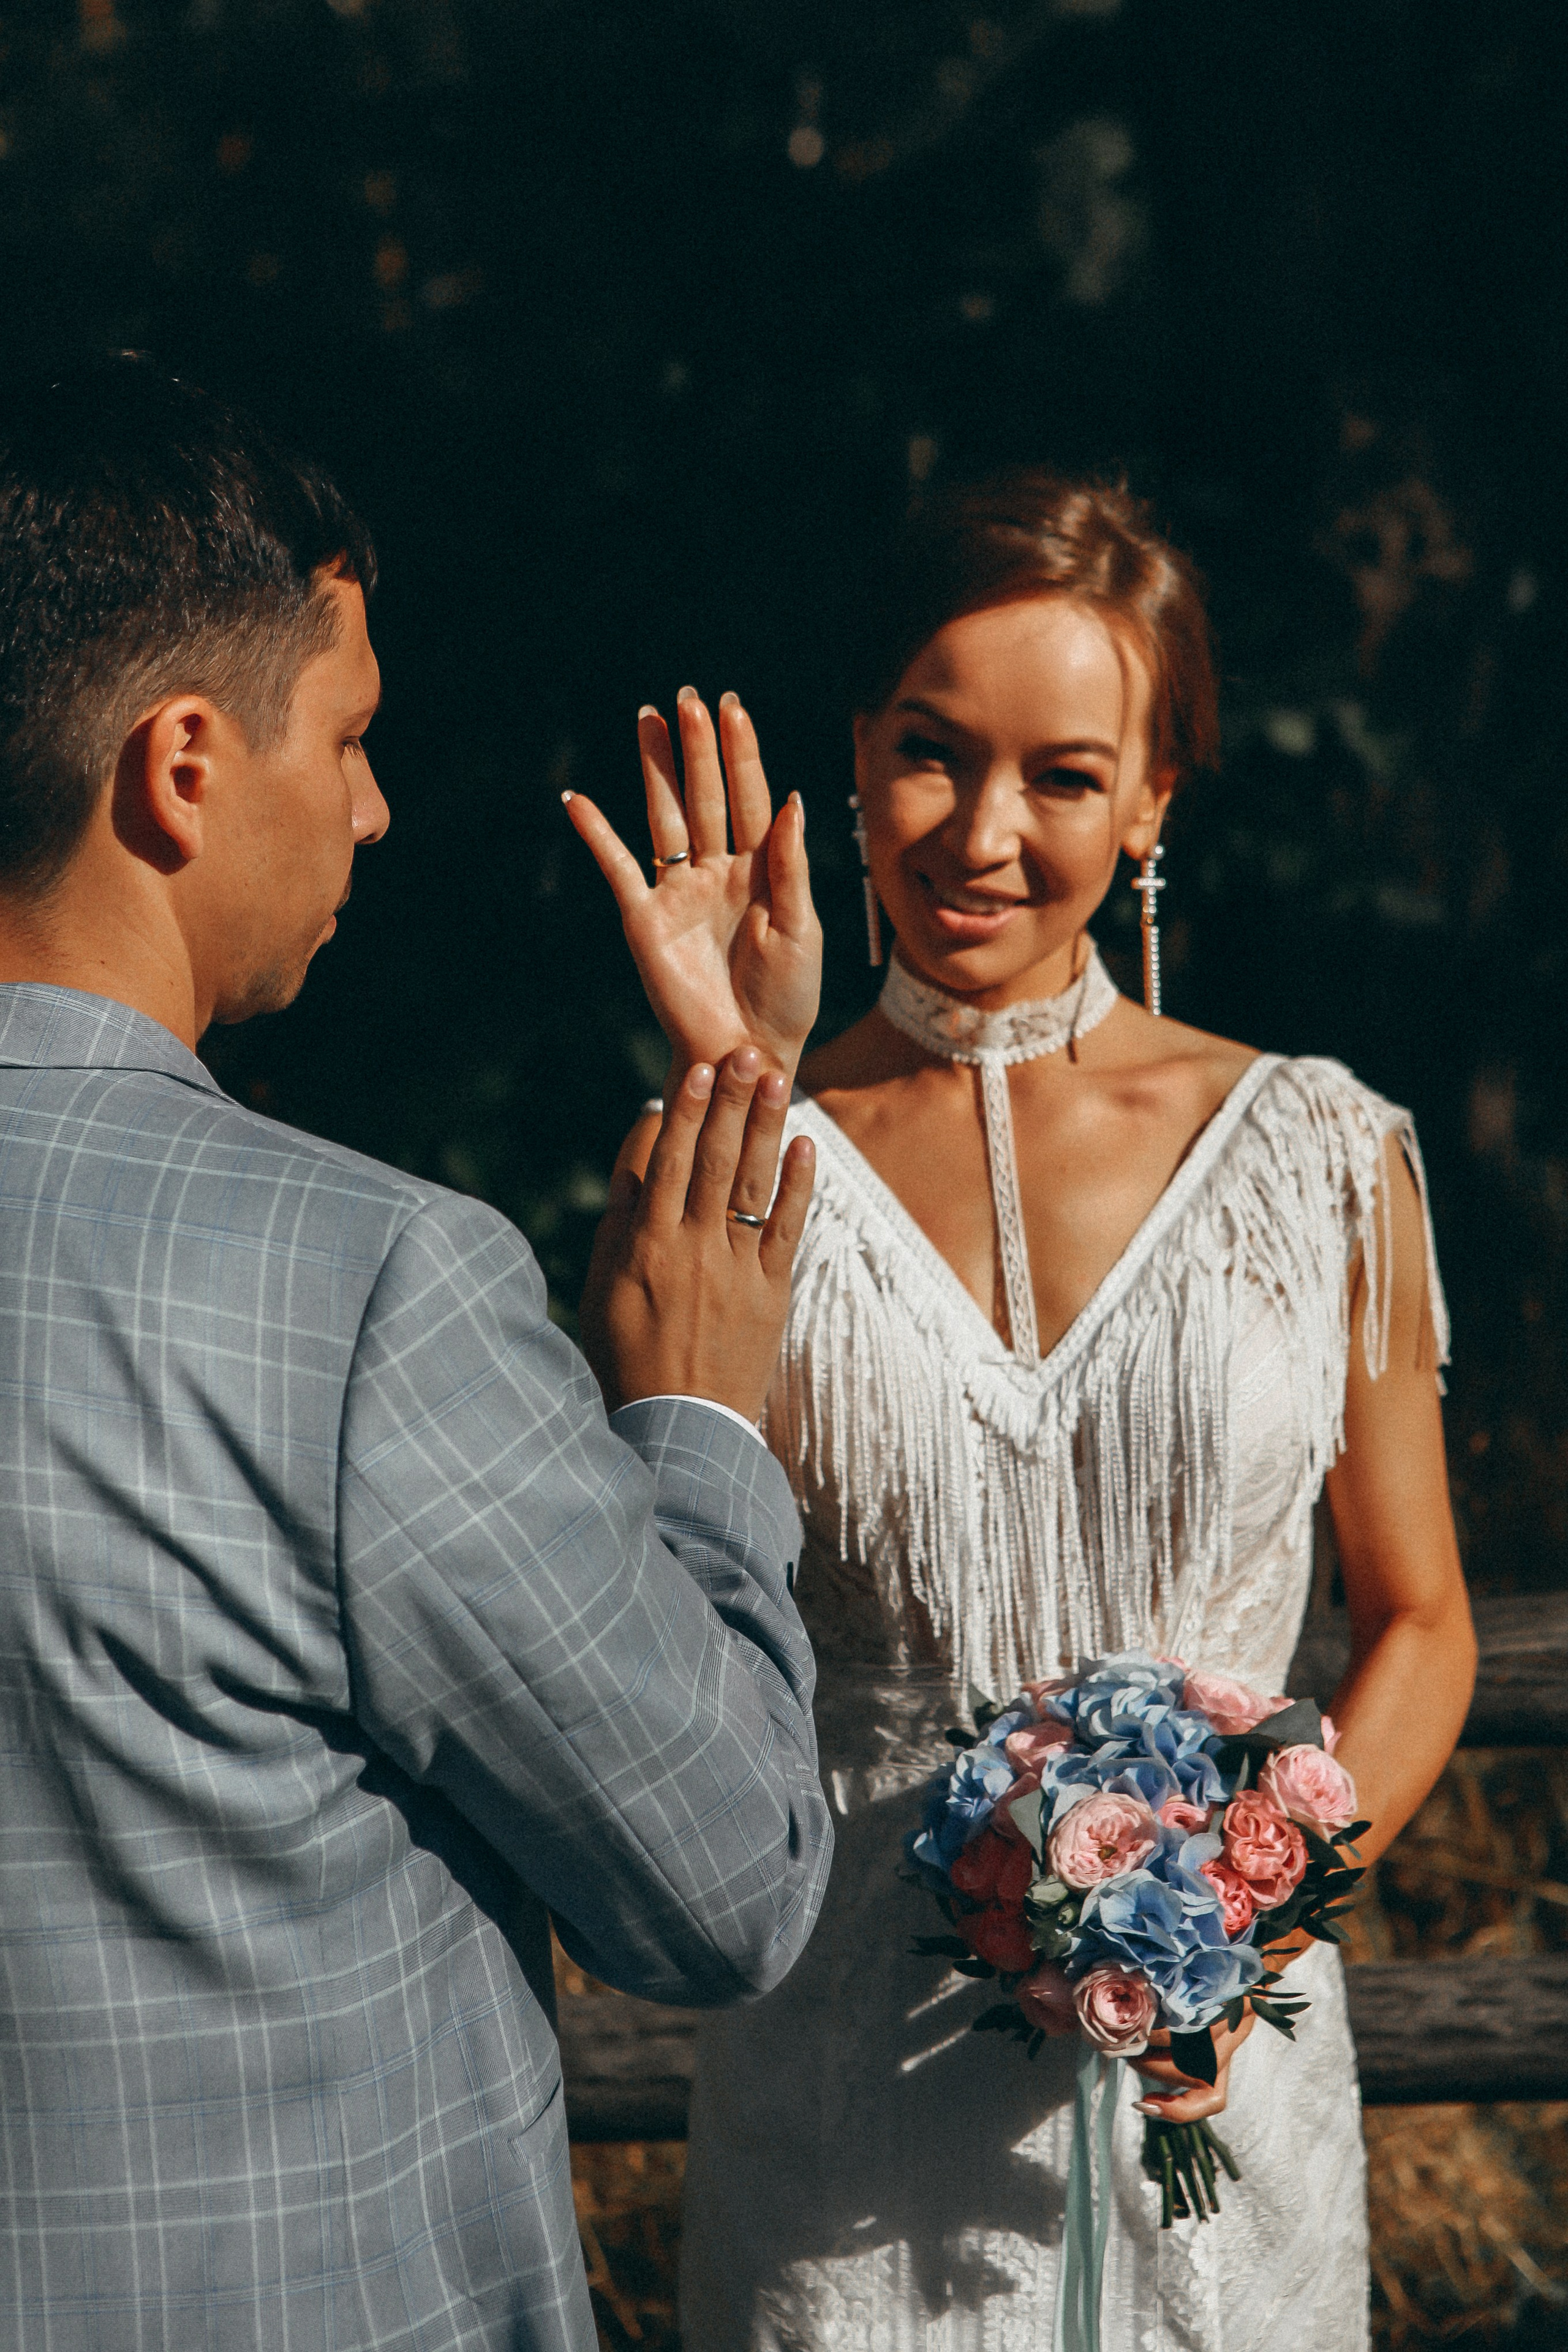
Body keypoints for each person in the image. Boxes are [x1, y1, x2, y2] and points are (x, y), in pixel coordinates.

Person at [573, 473, 1477, 2349]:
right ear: (856, 756)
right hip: (842, 2148)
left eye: (1062, 776)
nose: (981, 835)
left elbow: (1421, 1622)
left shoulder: (1323, 1156)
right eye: (931, 753)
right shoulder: (714, 1159)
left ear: (1153, 798)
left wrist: (1241, 1903)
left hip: (1214, 2105)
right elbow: (646, 1625)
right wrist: (740, 1076)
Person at [0, 354, 833, 2352]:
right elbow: (724, 1884)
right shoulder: (363, 1287)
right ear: (182, 765)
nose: (373, 808)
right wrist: (698, 1413)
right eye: (352, 736)